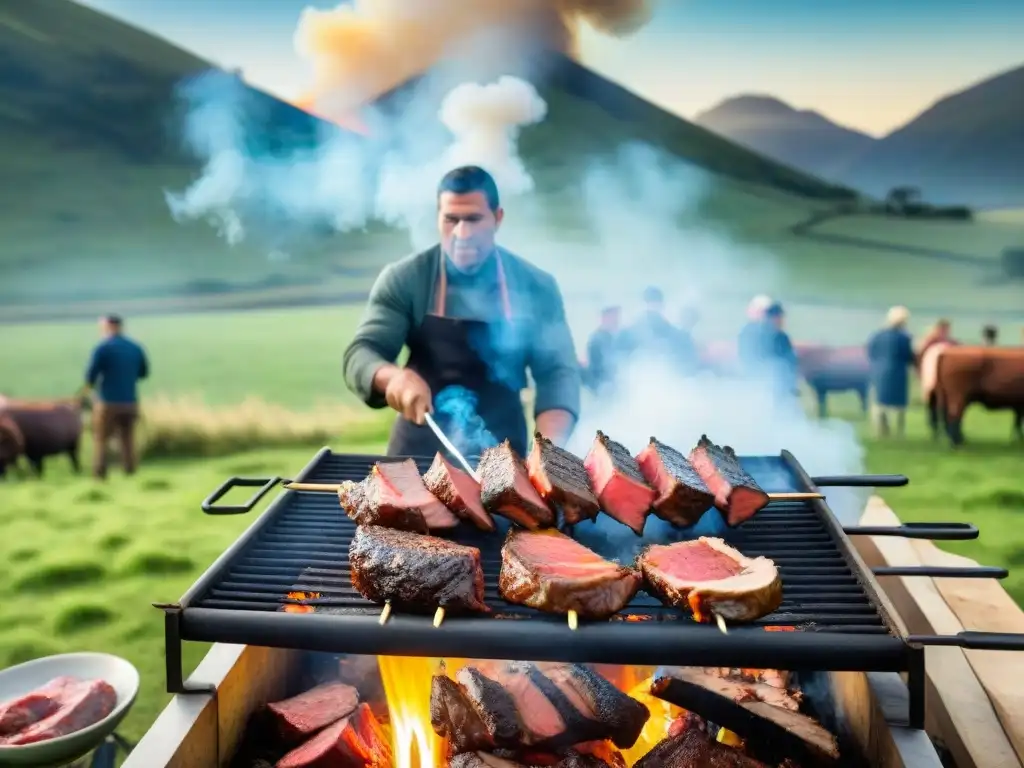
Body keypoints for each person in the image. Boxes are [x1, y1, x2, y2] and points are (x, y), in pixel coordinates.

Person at [342, 166, 580, 458]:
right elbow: (362, 353)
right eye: (451, 219)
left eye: (473, 219)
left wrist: (549, 452)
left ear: (497, 218)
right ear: (438, 218)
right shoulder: (406, 279)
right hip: (417, 455)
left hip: (506, 457)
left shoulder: (536, 287)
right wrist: (392, 378)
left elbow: (557, 372)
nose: (462, 233)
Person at [84, 314, 149, 478]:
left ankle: (100, 473)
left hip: (108, 402)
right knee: (128, 438)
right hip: (130, 401)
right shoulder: (135, 347)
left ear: (108, 327)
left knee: (101, 439)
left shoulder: (103, 348)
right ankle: (130, 470)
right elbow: (144, 373)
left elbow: (90, 377)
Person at [621, 286, 697, 373]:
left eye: (654, 303)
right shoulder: (627, 334)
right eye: (651, 303)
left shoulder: (678, 335)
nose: (652, 308)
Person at [866, 306, 915, 438]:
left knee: (879, 402)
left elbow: (870, 353)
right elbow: (908, 356)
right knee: (899, 405)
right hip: (898, 372)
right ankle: (899, 432)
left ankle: (880, 430)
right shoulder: (904, 338)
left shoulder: (876, 335)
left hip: (878, 371)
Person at [582, 305, 625, 395]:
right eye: (613, 316)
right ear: (605, 318)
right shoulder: (597, 339)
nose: (616, 320)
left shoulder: (615, 338)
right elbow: (596, 370)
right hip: (603, 390)